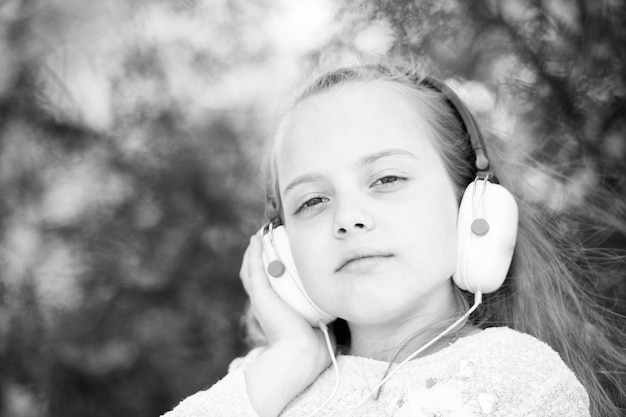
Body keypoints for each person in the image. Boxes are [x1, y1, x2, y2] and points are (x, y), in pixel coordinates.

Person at [162, 64, 626, 417]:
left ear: (472, 208)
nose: (348, 218)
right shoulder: (262, 381)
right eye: (312, 201)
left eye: (386, 178)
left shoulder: (519, 375)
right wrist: (291, 356)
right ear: (279, 251)